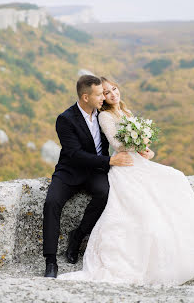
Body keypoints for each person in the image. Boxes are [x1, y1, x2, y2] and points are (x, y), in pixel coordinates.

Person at [58, 77, 194, 285]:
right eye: (106, 93)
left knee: (177, 178)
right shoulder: (105, 117)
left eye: (114, 89)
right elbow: (117, 145)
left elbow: (138, 145)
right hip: (125, 166)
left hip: (139, 162)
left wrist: (146, 148)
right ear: (102, 97)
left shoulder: (125, 112)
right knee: (146, 212)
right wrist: (138, 140)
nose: (112, 94)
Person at [43, 75, 133, 278]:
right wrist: (109, 161)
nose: (104, 97)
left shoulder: (102, 113)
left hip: (95, 172)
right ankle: (50, 261)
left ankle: (78, 236)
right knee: (51, 203)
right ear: (85, 97)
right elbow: (74, 154)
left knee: (105, 193)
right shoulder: (65, 119)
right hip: (70, 171)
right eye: (100, 94)